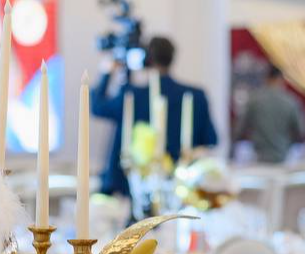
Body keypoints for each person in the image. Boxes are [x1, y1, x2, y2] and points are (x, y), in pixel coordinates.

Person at [91, 36, 217, 197]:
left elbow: (97, 107)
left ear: (146, 60)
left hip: (136, 189)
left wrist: (107, 70)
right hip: (180, 187)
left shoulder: (132, 96)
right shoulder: (196, 95)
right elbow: (211, 139)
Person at [235, 66, 305, 164]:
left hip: (258, 159)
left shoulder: (254, 100)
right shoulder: (291, 101)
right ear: (281, 79)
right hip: (283, 159)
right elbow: (302, 132)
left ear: (266, 78)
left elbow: (239, 130)